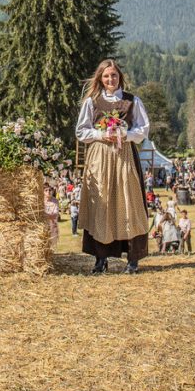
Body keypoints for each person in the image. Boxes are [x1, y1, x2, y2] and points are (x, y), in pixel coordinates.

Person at [75, 58, 151, 274]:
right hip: (100, 157)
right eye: (106, 76)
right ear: (101, 78)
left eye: (114, 75)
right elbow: (81, 131)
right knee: (102, 203)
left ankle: (133, 259)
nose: (111, 79)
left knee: (129, 202)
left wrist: (125, 134)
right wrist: (101, 134)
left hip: (124, 155)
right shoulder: (92, 102)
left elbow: (143, 129)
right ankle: (101, 258)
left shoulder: (132, 101)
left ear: (120, 77)